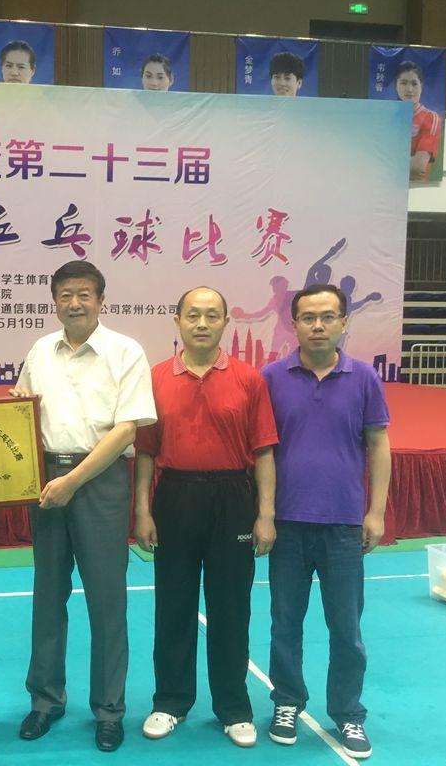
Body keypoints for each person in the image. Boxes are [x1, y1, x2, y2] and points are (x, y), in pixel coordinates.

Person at [11, 261, 156, 752]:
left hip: (100, 482)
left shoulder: (125, 351)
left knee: (107, 601)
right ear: (54, 300)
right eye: (66, 295)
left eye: (84, 294)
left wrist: (72, 481)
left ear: (101, 300)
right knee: (48, 596)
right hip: (46, 479)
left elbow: (127, 429)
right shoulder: (40, 350)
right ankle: (45, 701)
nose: (75, 303)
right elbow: (22, 410)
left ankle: (109, 710)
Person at [134, 286, 278, 748]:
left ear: (225, 323)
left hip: (233, 498)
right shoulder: (156, 378)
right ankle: (170, 701)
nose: (201, 323)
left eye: (211, 315)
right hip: (174, 496)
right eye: (192, 315)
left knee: (231, 607)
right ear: (177, 321)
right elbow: (144, 452)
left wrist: (266, 514)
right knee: (172, 605)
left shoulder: (249, 379)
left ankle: (234, 707)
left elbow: (263, 451)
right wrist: (142, 510)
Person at [261, 284, 391, 761]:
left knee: (346, 628)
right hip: (287, 524)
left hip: (342, 526)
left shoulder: (364, 378)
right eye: (308, 317)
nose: (318, 325)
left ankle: (348, 713)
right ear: (293, 324)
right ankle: (287, 702)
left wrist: (375, 511)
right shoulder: (271, 377)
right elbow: (262, 450)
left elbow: (378, 444)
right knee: (285, 624)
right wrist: (264, 515)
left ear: (343, 322)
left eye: (327, 317)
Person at [394, 61, 442, 181]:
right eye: (403, 83)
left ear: (421, 87)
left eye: (414, 84)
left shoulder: (431, 118)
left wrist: (385, 161)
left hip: (416, 188)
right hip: (384, 187)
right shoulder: (387, 117)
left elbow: (417, 168)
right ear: (396, 86)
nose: (409, 89)